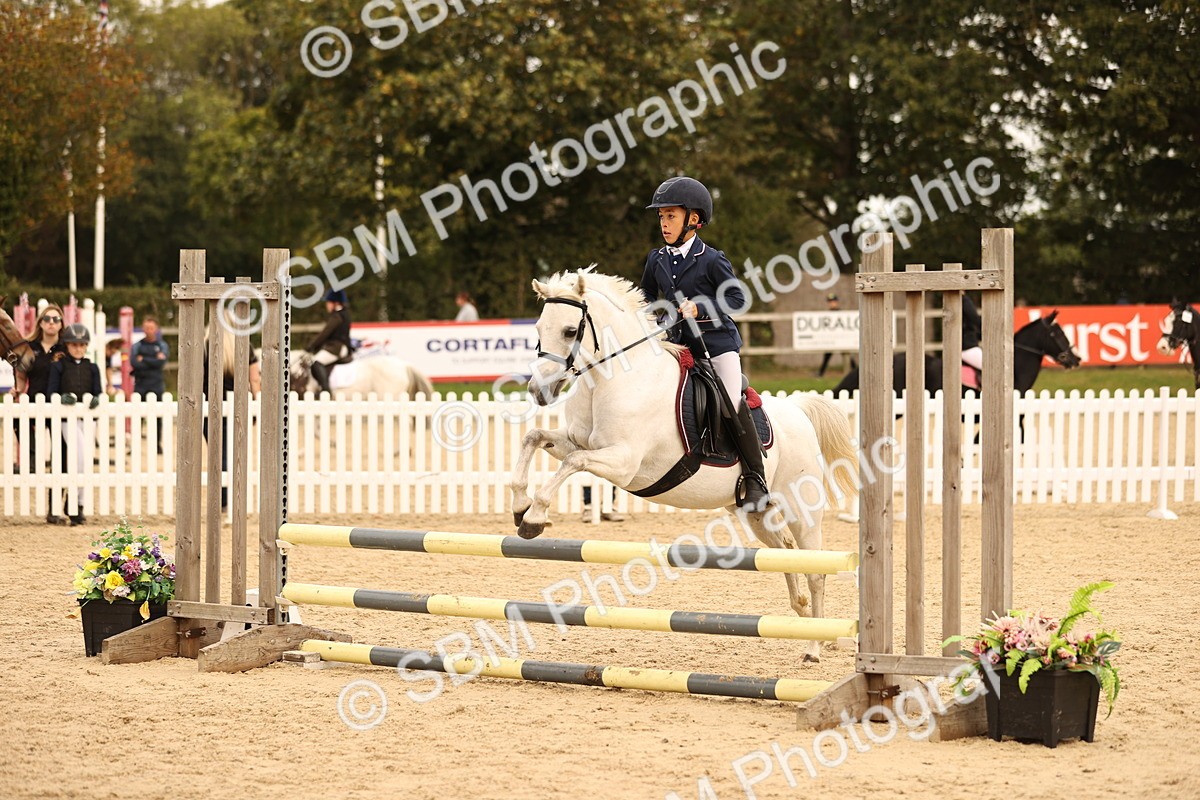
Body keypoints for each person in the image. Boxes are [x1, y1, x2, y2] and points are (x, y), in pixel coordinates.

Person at [639, 175, 768, 511]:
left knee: (729, 399)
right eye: (661, 217)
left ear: (693, 219)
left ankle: (756, 478)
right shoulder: (657, 259)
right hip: (679, 345)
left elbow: (738, 299)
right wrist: (653, 316)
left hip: (717, 344)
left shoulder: (712, 259)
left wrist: (702, 307)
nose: (664, 223)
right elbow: (646, 296)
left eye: (671, 216)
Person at [10, 305, 67, 520]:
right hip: (33, 401)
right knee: (17, 423)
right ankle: (33, 457)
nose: (51, 322)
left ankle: (54, 508)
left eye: (56, 319)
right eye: (47, 318)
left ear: (61, 324)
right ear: (40, 322)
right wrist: (18, 388)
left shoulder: (66, 348)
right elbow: (22, 374)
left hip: (60, 406)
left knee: (61, 456)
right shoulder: (29, 347)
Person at [202, 316, 262, 509]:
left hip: (211, 405)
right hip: (238, 405)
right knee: (232, 455)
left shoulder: (205, 345)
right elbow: (254, 380)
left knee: (216, 455)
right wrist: (255, 403)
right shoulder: (245, 345)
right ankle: (229, 498)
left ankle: (222, 498)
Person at [46, 323, 101, 526]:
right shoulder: (59, 366)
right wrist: (61, 397)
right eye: (74, 344)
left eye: (81, 344)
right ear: (67, 346)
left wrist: (97, 399)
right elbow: (51, 391)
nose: (78, 348)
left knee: (86, 461)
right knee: (78, 457)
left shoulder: (92, 367)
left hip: (88, 419)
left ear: (86, 346)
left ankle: (77, 504)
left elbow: (98, 392)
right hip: (66, 419)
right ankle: (71, 504)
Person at [131, 316, 169, 452]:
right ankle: (135, 446)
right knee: (137, 416)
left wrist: (143, 360)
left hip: (156, 385)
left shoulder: (162, 345)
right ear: (143, 328)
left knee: (157, 417)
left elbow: (161, 363)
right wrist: (153, 359)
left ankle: (157, 445)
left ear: (156, 329)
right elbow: (134, 363)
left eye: (151, 328)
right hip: (140, 384)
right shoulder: (137, 345)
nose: (149, 330)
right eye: (146, 328)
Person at [306, 289, 352, 396]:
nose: (327, 305)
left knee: (316, 362)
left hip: (337, 347)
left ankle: (326, 390)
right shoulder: (344, 313)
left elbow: (325, 333)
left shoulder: (337, 316)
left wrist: (311, 345)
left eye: (328, 302)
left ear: (335, 303)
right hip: (340, 346)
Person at [817, 293, 856, 377]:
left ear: (837, 302)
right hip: (831, 339)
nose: (832, 303)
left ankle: (856, 372)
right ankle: (820, 374)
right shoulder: (827, 315)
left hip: (841, 339)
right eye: (830, 301)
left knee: (848, 357)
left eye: (833, 301)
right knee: (827, 356)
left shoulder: (841, 314)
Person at [961, 293, 983, 373]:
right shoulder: (964, 300)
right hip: (968, 346)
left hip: (954, 346)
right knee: (991, 367)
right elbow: (975, 319)